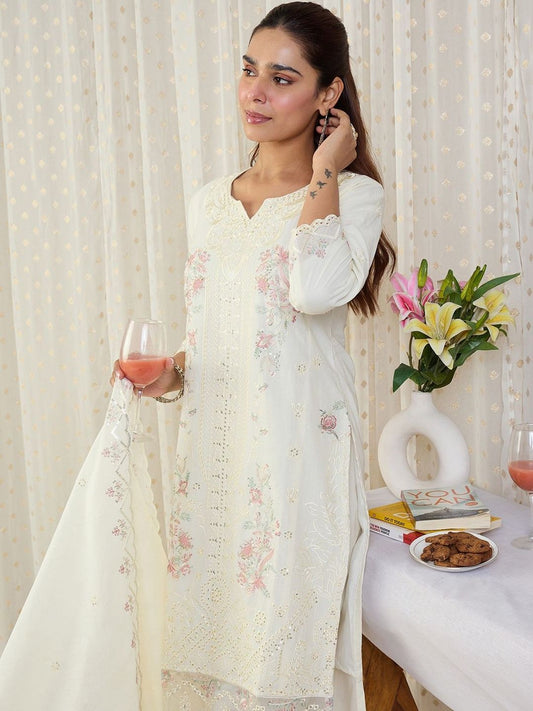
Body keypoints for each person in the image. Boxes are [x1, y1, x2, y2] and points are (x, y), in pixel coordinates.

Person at [113, 2, 395, 708]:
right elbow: (220, 331)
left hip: (297, 457)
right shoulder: (209, 202)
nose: (255, 92)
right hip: (215, 454)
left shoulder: (355, 196)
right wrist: (171, 374)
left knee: (285, 648)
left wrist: (325, 170)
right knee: (210, 644)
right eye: (248, 71)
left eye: (281, 78)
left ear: (329, 93)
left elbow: (314, 289)